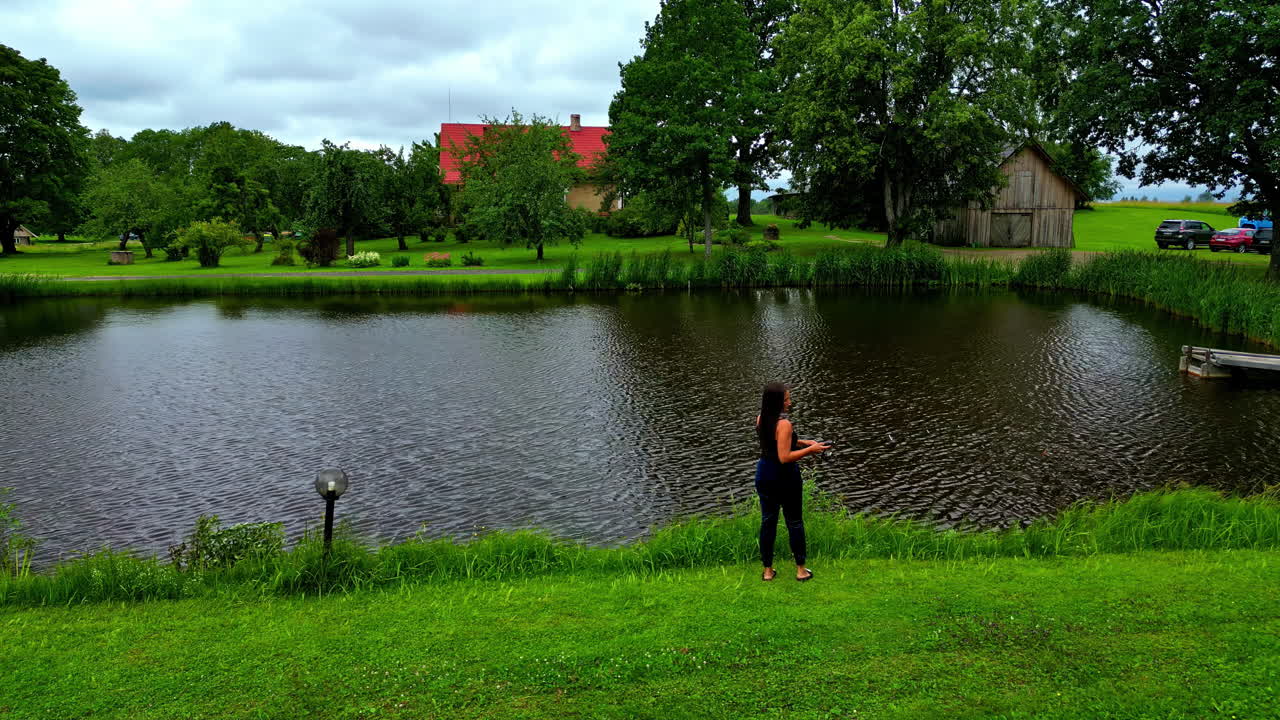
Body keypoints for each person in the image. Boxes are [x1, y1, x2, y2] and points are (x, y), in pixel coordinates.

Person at [755, 382, 828, 582]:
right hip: (785, 477)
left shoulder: (761, 419)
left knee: (768, 522)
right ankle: (801, 570)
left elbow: (775, 442)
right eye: (786, 399)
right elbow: (784, 456)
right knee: (794, 522)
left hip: (764, 475)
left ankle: (768, 571)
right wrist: (811, 451)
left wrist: (805, 442)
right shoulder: (785, 424)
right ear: (777, 402)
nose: (790, 402)